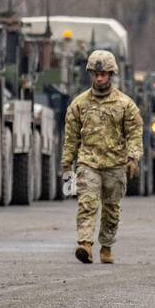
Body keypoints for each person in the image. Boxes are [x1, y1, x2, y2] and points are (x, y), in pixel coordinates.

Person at [60, 50, 143, 264]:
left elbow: (135, 132)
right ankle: (85, 245)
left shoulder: (126, 105)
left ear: (111, 75)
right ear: (90, 75)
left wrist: (133, 157)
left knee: (111, 209)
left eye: (103, 74)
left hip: (115, 164)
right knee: (87, 203)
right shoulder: (78, 105)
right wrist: (67, 164)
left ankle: (106, 246)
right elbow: (71, 137)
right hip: (89, 162)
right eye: (95, 74)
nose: (99, 78)